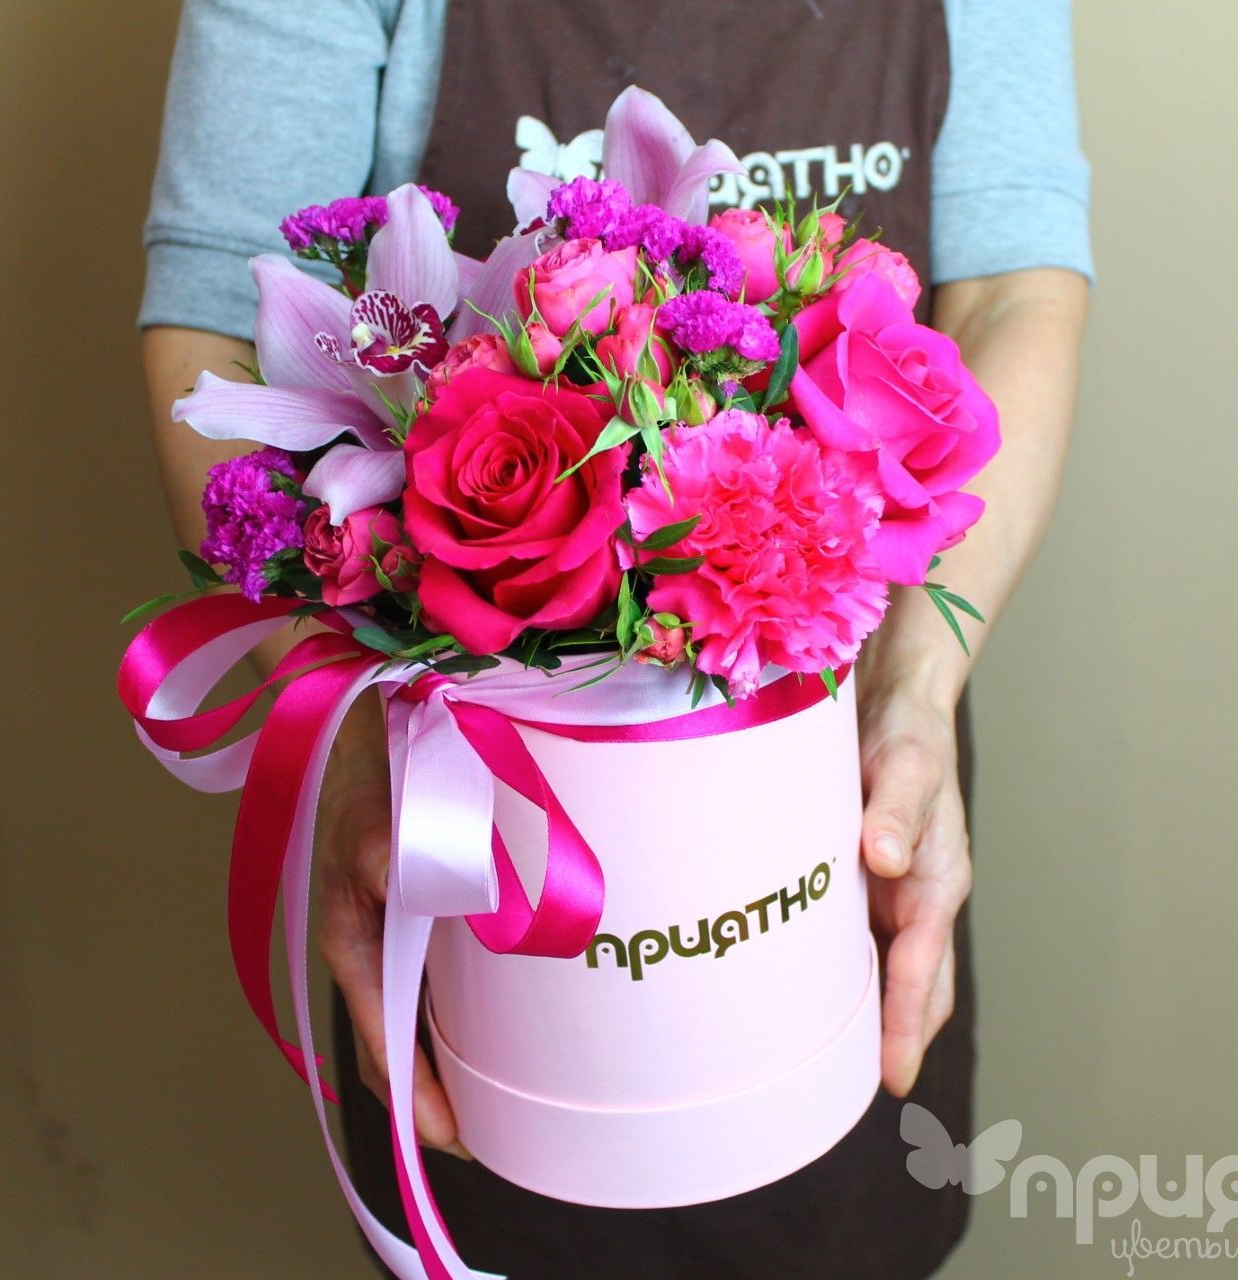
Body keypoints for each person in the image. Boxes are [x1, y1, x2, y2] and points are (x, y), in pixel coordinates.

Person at [139, 2, 1091, 1276]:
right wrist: (358, 754)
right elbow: (218, 308)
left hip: (841, 786)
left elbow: (1016, 287)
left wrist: (914, 690)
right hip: (475, 830)